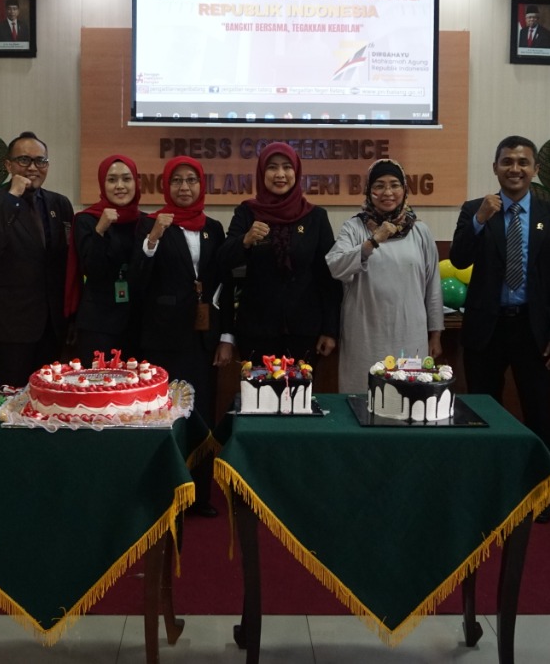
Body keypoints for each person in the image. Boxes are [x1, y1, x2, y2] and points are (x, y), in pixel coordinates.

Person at [450, 135, 550, 521]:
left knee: (539, 414)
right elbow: (459, 259)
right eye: (507, 162)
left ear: (535, 169)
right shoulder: (476, 209)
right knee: (482, 413)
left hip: (534, 332)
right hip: (486, 330)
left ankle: (541, 495)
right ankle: (486, 491)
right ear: (495, 168)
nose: (515, 169)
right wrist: (479, 220)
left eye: (523, 162)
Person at [133, 157, 232, 517]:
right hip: (162, 338)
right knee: (165, 416)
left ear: (201, 185)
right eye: (177, 181)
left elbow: (223, 283)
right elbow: (137, 277)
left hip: (202, 340)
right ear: (166, 185)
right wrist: (153, 238)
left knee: (199, 416)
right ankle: (164, 496)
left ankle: (198, 495)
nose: (185, 187)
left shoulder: (213, 228)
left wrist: (226, 337)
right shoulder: (151, 223)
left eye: (192, 180)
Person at [218, 142, 341, 366]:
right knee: (257, 389)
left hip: (304, 331)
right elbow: (223, 260)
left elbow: (328, 278)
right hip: (256, 330)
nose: (280, 174)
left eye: (287, 167)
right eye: (272, 167)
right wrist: (245, 240)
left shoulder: (316, 217)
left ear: (297, 171)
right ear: (261, 172)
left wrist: (330, 330)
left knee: (300, 389)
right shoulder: (247, 212)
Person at [326, 158, 443, 393]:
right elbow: (336, 266)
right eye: (379, 186)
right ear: (369, 191)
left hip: (410, 332)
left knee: (408, 396)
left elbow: (433, 286)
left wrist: (435, 335)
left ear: (404, 189)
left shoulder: (420, 231)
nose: (387, 192)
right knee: (363, 396)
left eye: (394, 185)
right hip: (365, 332)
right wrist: (373, 241)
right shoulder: (354, 228)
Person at [0, 132, 74, 387]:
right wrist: (13, 197)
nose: (33, 167)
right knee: (12, 399)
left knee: (50, 398)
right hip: (11, 327)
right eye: (24, 160)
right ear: (8, 165)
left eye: (40, 161)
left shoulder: (59, 204)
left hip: (52, 326)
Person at [66, 154, 145, 362]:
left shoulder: (146, 222)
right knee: (98, 381)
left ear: (136, 183)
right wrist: (99, 231)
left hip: (138, 322)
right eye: (112, 180)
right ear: (102, 183)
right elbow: (92, 269)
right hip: (98, 323)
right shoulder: (87, 219)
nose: (120, 186)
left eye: (126, 179)